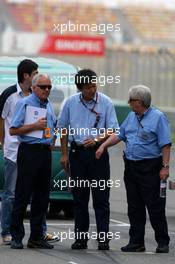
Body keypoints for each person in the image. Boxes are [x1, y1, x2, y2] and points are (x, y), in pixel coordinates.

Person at [96, 85, 171, 253]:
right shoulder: (131, 116)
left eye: (131, 100)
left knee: (155, 206)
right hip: (131, 167)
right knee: (134, 206)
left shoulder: (158, 117)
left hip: (150, 167)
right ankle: (136, 242)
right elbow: (119, 134)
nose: (129, 103)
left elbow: (165, 144)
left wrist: (165, 167)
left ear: (140, 101)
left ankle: (162, 241)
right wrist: (103, 146)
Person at [58, 69, 119, 250]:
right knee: (80, 199)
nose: (93, 89)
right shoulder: (70, 103)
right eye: (88, 87)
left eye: (94, 85)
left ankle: (103, 239)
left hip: (98, 154)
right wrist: (64, 154)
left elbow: (114, 129)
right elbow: (63, 128)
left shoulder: (106, 102)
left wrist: (97, 139)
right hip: (77, 155)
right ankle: (81, 238)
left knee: (101, 199)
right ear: (80, 88)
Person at [0, 60, 59, 245]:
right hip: (28, 151)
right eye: (43, 87)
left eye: (49, 87)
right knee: (21, 195)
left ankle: (36, 237)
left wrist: (52, 138)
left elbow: (51, 125)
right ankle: (16, 236)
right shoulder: (24, 103)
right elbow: (13, 130)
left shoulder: (48, 105)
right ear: (34, 88)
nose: (47, 90)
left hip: (44, 152)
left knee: (42, 197)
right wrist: (33, 126)